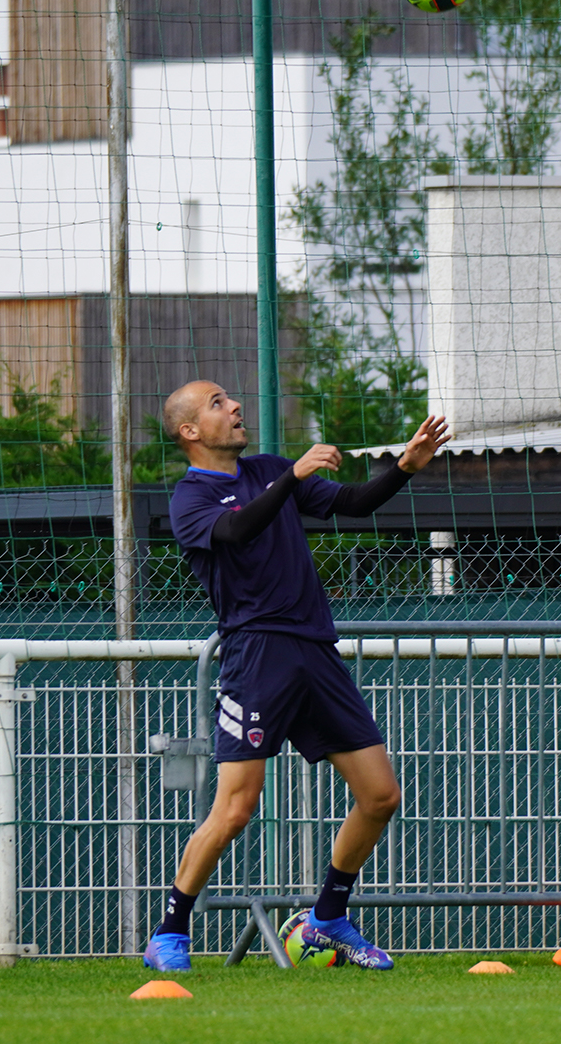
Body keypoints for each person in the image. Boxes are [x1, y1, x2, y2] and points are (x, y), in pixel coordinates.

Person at [142, 380, 450, 972]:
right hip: (257, 657)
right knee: (235, 809)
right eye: (216, 403)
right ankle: (170, 932)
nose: (234, 406)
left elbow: (354, 503)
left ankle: (325, 921)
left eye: (231, 398)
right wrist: (293, 478)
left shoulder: (269, 470)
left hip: (315, 651)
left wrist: (405, 468)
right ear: (188, 432)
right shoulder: (189, 498)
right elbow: (235, 531)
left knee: (381, 795)